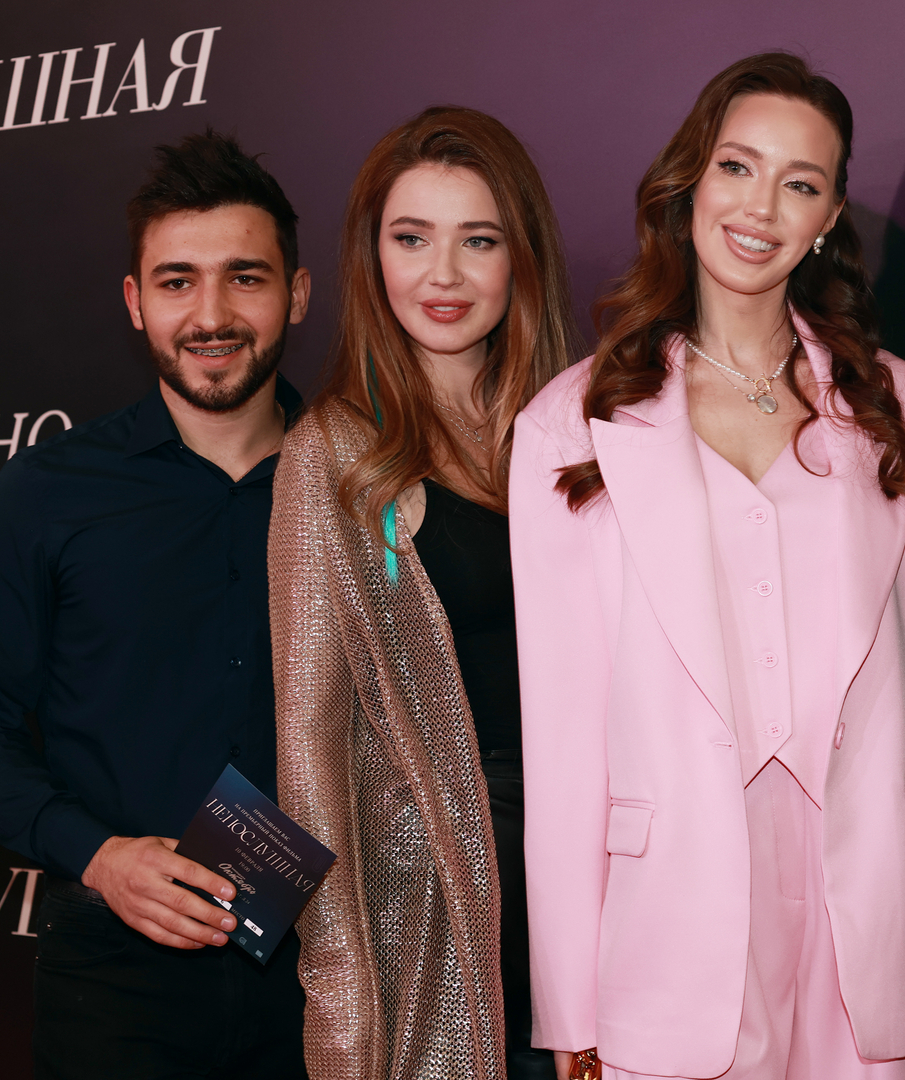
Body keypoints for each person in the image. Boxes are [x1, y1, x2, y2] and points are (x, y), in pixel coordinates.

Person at [509, 53, 905, 1080]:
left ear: (829, 217)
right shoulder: (570, 424)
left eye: (799, 182)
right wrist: (569, 1001)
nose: (760, 207)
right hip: (668, 921)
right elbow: (560, 735)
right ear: (691, 180)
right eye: (737, 167)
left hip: (876, 907)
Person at [0, 131, 312, 1078]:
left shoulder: (367, 484)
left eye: (245, 278)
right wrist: (102, 857)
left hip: (327, 976)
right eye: (178, 281)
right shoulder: (49, 492)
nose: (212, 314)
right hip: (113, 977)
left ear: (298, 294)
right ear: (136, 302)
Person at [270, 105, 575, 1080]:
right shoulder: (335, 453)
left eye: (477, 240)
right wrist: (341, 1004)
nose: (443, 275)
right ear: (372, 257)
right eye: (412, 238)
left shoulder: (577, 435)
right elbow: (309, 755)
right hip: (437, 908)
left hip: (591, 893)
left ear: (520, 257)